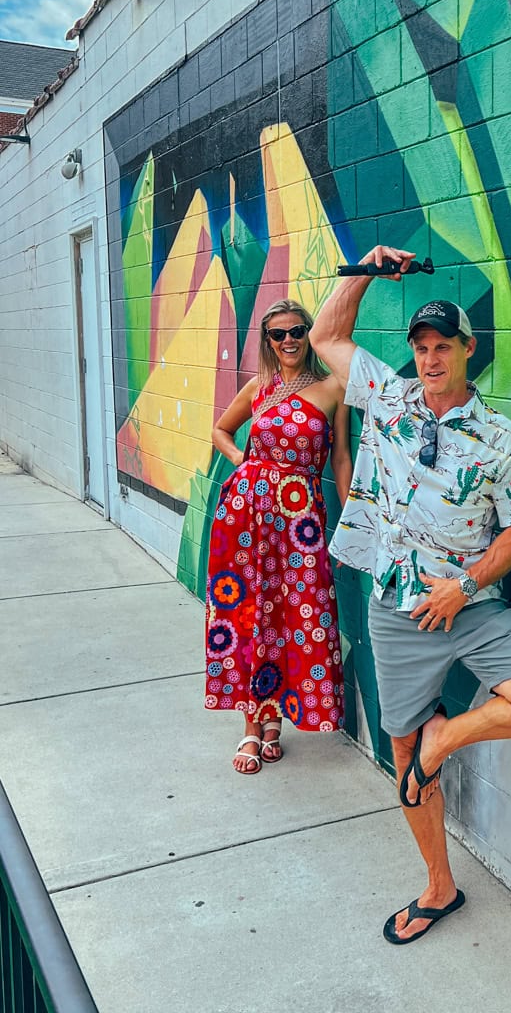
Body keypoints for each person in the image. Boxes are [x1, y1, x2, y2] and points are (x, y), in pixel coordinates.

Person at [310, 246, 511, 945]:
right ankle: (439, 885)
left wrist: (464, 586)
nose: (430, 359)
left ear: (467, 349)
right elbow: (324, 338)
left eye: (442, 346)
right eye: (421, 347)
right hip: (396, 609)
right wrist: (363, 269)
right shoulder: (387, 399)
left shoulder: (499, 439)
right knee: (403, 754)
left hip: (471, 607)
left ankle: (444, 738)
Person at [205, 297, 352, 773]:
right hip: (245, 517)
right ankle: (253, 725)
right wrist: (243, 467)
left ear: (310, 333)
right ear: (267, 341)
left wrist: (352, 521)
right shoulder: (258, 388)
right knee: (250, 613)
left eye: (297, 330)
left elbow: (341, 460)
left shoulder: (333, 389)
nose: (288, 340)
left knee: (293, 615)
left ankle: (276, 721)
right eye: (278, 333)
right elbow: (221, 431)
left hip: (300, 521)